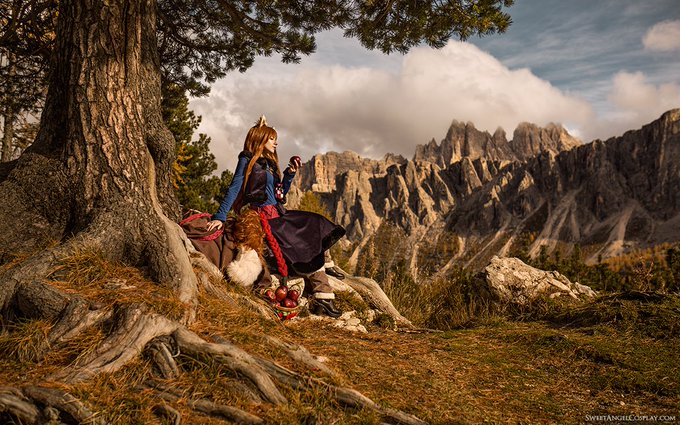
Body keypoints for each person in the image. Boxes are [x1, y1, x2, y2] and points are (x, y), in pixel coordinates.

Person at [206, 116, 345, 318]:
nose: (276, 143)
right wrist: (220, 216)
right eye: (272, 139)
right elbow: (235, 187)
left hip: (280, 215)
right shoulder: (247, 159)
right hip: (266, 219)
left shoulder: (270, 165)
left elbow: (280, 194)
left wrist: (289, 174)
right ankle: (323, 296)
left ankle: (325, 266)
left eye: (275, 139)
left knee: (315, 222)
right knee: (303, 244)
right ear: (260, 139)